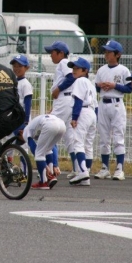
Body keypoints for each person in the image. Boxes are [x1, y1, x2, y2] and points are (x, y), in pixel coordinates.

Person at [93, 40, 132, 181]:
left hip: (117, 104)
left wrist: (114, 85)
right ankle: (104, 168)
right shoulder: (101, 69)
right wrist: (100, 85)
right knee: (104, 137)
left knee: (118, 137)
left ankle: (119, 168)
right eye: (106, 51)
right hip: (103, 103)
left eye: (109, 52)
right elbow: (96, 88)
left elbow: (129, 88)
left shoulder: (123, 70)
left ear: (117, 54)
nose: (106, 54)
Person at [44, 41, 75, 181]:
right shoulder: (63, 64)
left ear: (61, 53)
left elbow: (71, 77)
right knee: (69, 137)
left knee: (49, 131)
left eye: (52, 52)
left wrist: (58, 89)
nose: (50, 55)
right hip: (65, 101)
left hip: (64, 100)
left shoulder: (64, 62)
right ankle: (77, 169)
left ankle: (51, 168)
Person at [67, 57, 97, 186]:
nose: (74, 70)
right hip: (92, 113)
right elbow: (96, 105)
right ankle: (86, 177)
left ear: (85, 70)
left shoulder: (79, 81)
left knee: (78, 143)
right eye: (73, 68)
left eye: (77, 68)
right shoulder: (91, 84)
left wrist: (74, 118)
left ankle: (83, 171)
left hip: (83, 112)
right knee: (88, 145)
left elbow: (78, 101)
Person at [22, 114, 66, 190]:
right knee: (48, 149)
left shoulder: (25, 132)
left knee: (39, 154)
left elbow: (34, 148)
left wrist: (45, 165)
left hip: (49, 124)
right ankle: (51, 177)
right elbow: (53, 147)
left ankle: (43, 182)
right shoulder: (34, 127)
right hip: (61, 125)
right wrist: (55, 164)